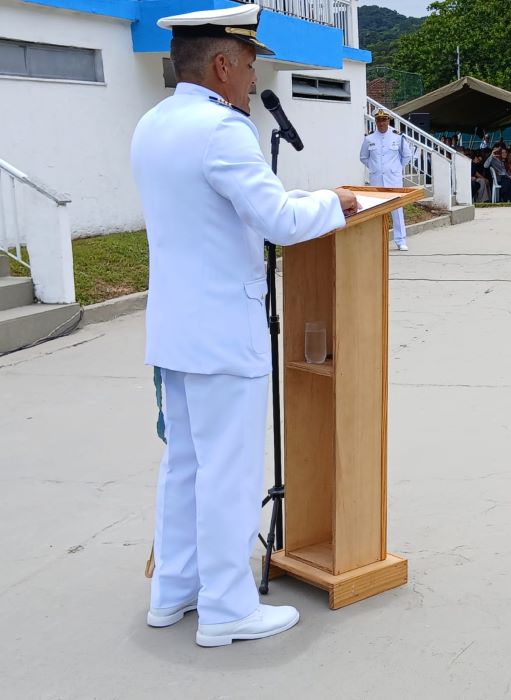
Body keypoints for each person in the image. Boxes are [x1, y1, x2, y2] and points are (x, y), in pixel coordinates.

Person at [131, 5, 360, 648]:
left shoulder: (152, 123)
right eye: (250, 59)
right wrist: (335, 204)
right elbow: (279, 222)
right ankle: (228, 608)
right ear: (223, 65)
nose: (254, 70)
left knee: (184, 466)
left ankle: (172, 592)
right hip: (222, 332)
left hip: (174, 330)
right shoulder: (222, 131)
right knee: (228, 471)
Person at [360, 109, 413, 250]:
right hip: (377, 179)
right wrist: (375, 168)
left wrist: (396, 168)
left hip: (393, 179)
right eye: (379, 120)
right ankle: (377, 240)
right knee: (377, 210)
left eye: (384, 120)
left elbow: (406, 156)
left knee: (397, 209)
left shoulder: (397, 137)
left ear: (388, 121)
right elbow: (363, 157)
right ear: (375, 122)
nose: (381, 123)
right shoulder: (369, 139)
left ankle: (401, 240)